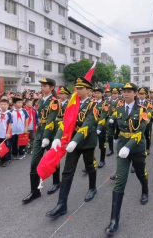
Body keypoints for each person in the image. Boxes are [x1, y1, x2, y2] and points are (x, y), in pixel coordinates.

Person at [45, 77, 98, 219]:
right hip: (71, 143)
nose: (78, 90)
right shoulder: (72, 103)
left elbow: (88, 124)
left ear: (89, 90)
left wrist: (75, 141)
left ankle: (92, 188)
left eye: (81, 88)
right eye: (77, 88)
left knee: (90, 166)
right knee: (67, 172)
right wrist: (57, 137)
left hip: (86, 142)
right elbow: (65, 122)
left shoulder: (94, 105)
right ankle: (61, 205)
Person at [105, 82, 149, 236]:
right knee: (120, 180)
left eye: (129, 91)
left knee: (140, 173)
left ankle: (145, 189)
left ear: (135, 94)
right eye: (124, 91)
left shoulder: (143, 110)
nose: (126, 93)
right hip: (122, 148)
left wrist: (128, 146)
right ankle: (114, 221)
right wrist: (113, 136)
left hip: (136, 148)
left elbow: (140, 131)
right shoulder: (118, 110)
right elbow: (110, 123)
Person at [22, 78, 61, 204]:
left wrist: (46, 136)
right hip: (40, 134)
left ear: (51, 88)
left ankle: (56, 182)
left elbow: (51, 119)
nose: (42, 88)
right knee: (34, 162)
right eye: (42, 85)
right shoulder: (40, 101)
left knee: (53, 161)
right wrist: (41, 134)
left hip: (50, 134)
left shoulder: (54, 102)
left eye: (45, 86)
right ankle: (35, 191)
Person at [0, 99, 13, 167]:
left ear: (8, 105)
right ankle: (2, 159)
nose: (3, 106)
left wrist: (8, 133)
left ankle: (7, 159)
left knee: (6, 147)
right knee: (0, 147)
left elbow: (10, 124)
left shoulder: (9, 113)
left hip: (6, 134)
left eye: (4, 104)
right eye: (1, 104)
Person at [93, 87, 107, 168]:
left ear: (102, 94)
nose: (96, 94)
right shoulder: (91, 103)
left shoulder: (105, 104)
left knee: (102, 144)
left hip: (101, 126)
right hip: (92, 126)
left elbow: (103, 116)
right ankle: (92, 162)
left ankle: (102, 160)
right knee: (91, 144)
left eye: (98, 93)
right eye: (95, 93)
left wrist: (99, 127)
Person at [137, 87, 153, 156]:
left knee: (147, 136)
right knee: (138, 135)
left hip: (146, 122)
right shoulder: (135, 103)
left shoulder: (148, 104)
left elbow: (149, 112)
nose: (141, 95)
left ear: (146, 95)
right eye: (140, 94)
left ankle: (148, 148)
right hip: (137, 122)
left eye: (143, 94)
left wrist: (146, 118)